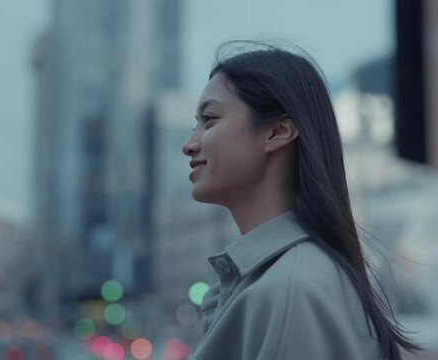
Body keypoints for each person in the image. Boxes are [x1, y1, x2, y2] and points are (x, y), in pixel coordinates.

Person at [181, 41, 422, 360]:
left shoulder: (289, 289)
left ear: (276, 132)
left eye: (209, 119)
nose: (189, 144)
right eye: (195, 124)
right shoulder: (284, 279)